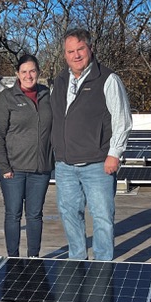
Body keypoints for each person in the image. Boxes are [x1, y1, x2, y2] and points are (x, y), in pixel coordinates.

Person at [51, 28, 132, 261]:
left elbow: (122, 120)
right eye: (70, 51)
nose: (76, 55)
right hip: (65, 164)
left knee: (102, 216)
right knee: (69, 214)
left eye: (80, 49)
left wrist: (114, 154)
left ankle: (103, 263)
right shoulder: (61, 80)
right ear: (64, 55)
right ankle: (77, 257)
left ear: (90, 49)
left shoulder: (108, 79)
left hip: (97, 163)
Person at [0, 54, 53, 257]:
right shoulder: (7, 97)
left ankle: (34, 257)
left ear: (38, 72)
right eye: (24, 71)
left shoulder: (47, 95)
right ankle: (14, 258)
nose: (29, 75)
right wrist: (4, 167)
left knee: (35, 216)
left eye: (33, 71)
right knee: (13, 215)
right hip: (14, 170)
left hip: (40, 169)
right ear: (17, 74)